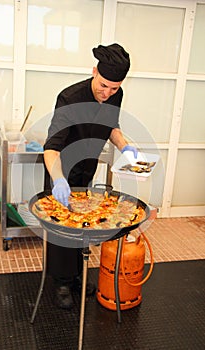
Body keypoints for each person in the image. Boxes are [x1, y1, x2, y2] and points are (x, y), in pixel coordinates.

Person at [43, 43, 138, 309]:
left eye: (114, 88)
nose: (107, 93)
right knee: (62, 227)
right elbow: (52, 147)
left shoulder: (115, 95)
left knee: (81, 225)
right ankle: (61, 281)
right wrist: (59, 180)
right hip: (60, 169)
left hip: (86, 167)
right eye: (104, 85)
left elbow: (111, 127)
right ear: (94, 71)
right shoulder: (70, 98)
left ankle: (75, 278)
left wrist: (125, 146)